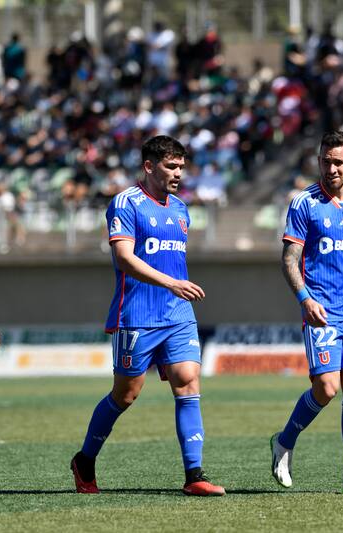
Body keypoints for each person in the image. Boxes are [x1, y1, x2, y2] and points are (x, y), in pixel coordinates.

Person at [70, 135, 225, 497]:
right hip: (137, 315)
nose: (178, 173)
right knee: (126, 395)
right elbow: (125, 259)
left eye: (181, 167)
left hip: (178, 313)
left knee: (188, 381)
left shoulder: (181, 209)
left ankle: (194, 475)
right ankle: (85, 460)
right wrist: (172, 283)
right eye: (171, 166)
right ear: (149, 166)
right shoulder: (126, 203)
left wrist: (175, 288)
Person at [271, 131, 343, 495]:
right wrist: (304, 299)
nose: (332, 168)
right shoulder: (304, 203)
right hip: (322, 310)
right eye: (326, 161)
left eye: (339, 162)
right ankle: (284, 441)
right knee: (326, 387)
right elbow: (289, 259)